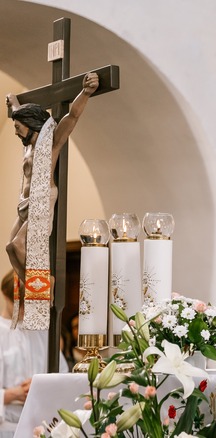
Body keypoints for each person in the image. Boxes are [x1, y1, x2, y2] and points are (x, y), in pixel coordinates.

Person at [5, 72, 99, 330]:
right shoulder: (27, 145)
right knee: (10, 248)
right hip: (25, 203)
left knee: (17, 247)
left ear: (31, 124)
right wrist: (13, 102)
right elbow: (17, 112)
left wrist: (86, 93)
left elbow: (72, 117)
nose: (15, 130)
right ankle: (35, 288)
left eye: (17, 126)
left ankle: (45, 287)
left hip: (42, 198)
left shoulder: (51, 143)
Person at [0, 270, 68, 437]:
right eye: (22, 303)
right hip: (7, 427)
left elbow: (63, 375)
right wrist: (11, 394)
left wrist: (43, 385)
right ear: (7, 296)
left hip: (42, 424)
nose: (27, 309)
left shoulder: (41, 331)